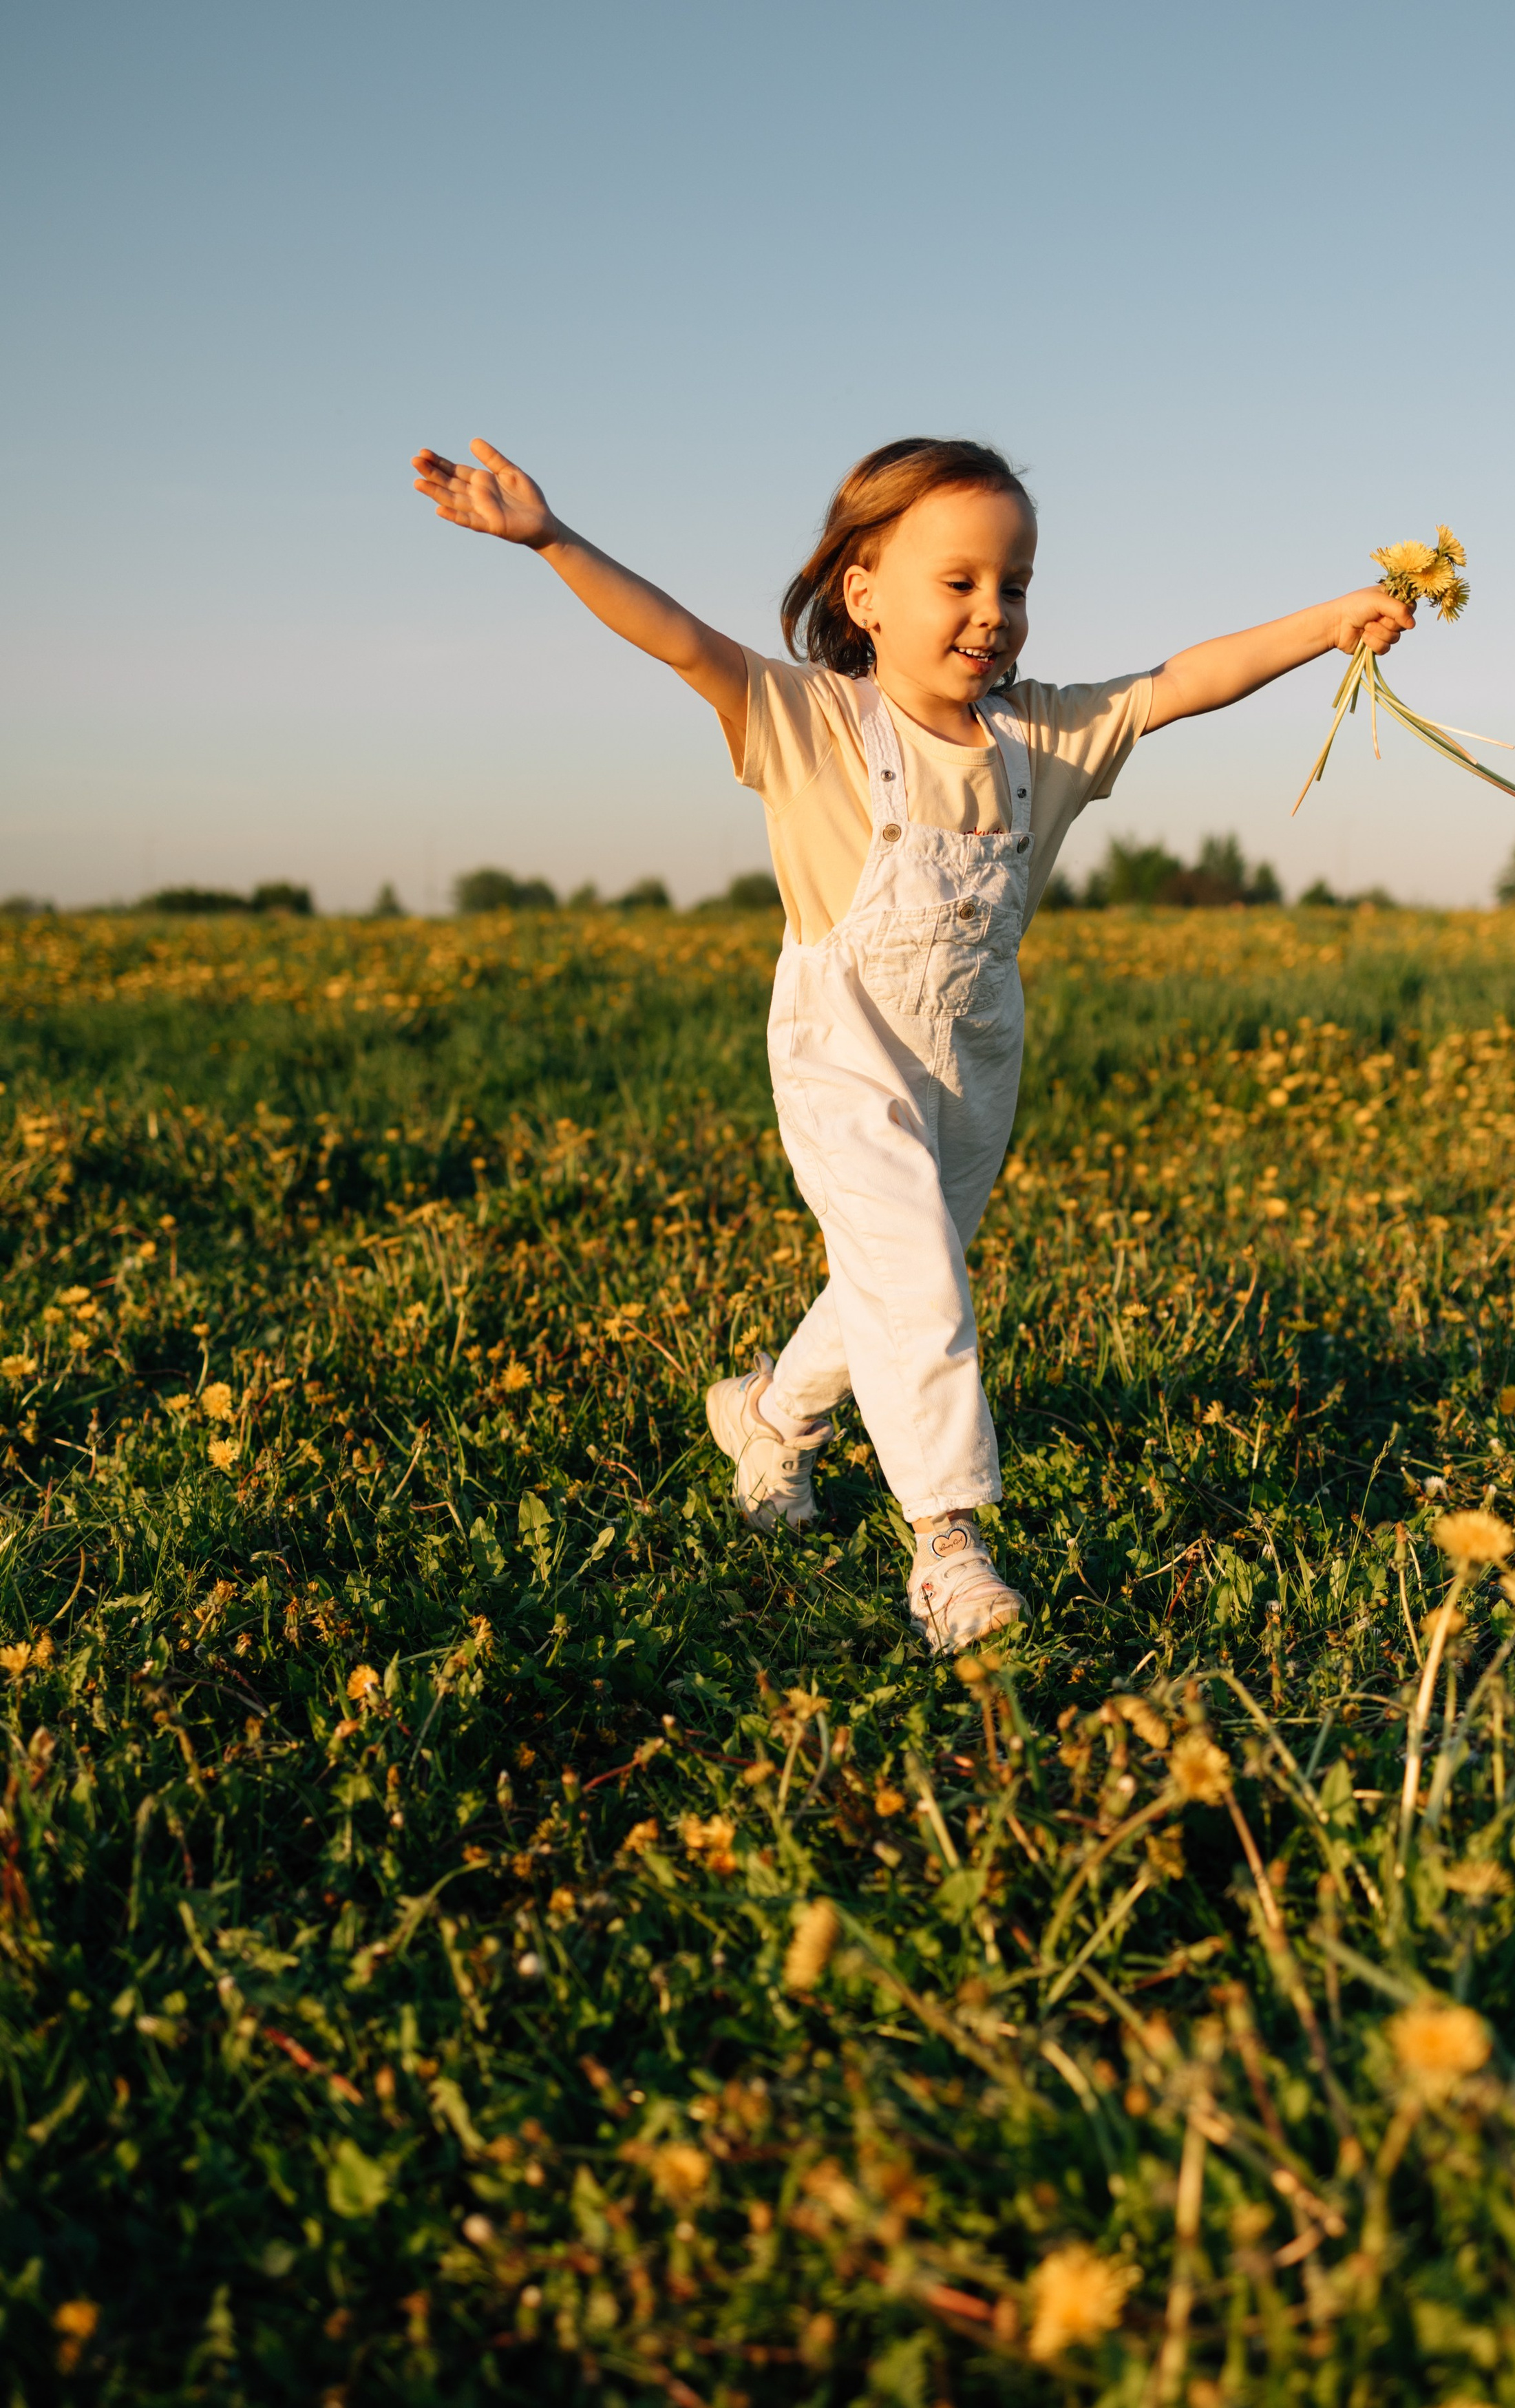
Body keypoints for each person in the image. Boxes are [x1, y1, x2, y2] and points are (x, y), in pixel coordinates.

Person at [412, 434, 1412, 1648]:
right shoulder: (812, 721)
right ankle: (950, 1547)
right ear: (864, 592)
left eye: (1016, 584)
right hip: (843, 1055)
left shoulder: (1042, 740)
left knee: (895, 1272)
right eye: (960, 582)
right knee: (922, 1281)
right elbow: (678, 637)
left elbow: (1185, 679)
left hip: (976, 1062)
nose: (995, 613)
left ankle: (773, 1415)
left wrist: (1331, 622)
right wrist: (552, 539)